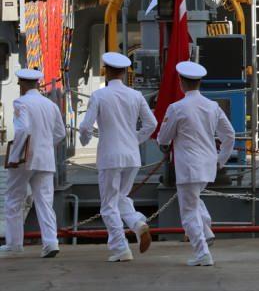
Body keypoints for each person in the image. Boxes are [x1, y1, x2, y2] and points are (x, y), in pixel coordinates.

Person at [79, 52, 157, 262]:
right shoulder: (136, 95)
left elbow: (86, 127)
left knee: (108, 205)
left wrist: (84, 140)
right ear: (124, 73)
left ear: (106, 72)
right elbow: (152, 124)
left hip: (110, 156)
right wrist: (135, 140)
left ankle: (120, 247)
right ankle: (138, 223)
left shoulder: (99, 95)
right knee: (121, 198)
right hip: (132, 157)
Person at [156, 61, 235, 267]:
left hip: (188, 166)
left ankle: (202, 253)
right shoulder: (212, 106)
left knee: (188, 211)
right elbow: (229, 135)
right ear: (200, 82)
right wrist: (221, 160)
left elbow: (163, 138)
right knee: (194, 199)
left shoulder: (176, 108)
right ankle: (206, 230)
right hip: (208, 165)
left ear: (181, 82)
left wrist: (164, 142)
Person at [1, 69, 65, 258]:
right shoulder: (50, 105)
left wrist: (15, 156)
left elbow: (23, 130)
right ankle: (51, 243)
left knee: (14, 199)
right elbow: (60, 133)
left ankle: (14, 244)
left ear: (21, 83)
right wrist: (45, 146)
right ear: (38, 84)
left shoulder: (21, 102)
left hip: (24, 159)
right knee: (45, 201)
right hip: (45, 159)